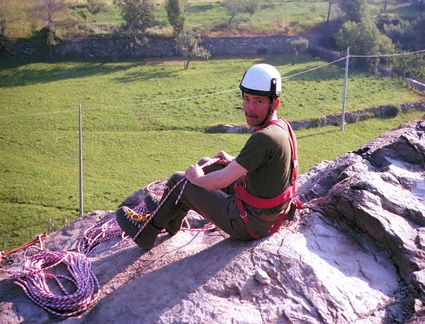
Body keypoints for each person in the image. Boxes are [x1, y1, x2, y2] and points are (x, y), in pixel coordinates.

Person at [116, 63, 300, 250]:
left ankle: (147, 232)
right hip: (271, 214)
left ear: (274, 103)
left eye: (258, 101)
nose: (250, 108)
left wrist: (196, 178)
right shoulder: (281, 127)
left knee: (179, 181)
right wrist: (233, 162)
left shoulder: (264, 137)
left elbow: (217, 182)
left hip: (250, 224)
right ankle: (171, 216)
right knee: (206, 163)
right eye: (246, 99)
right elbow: (264, 164)